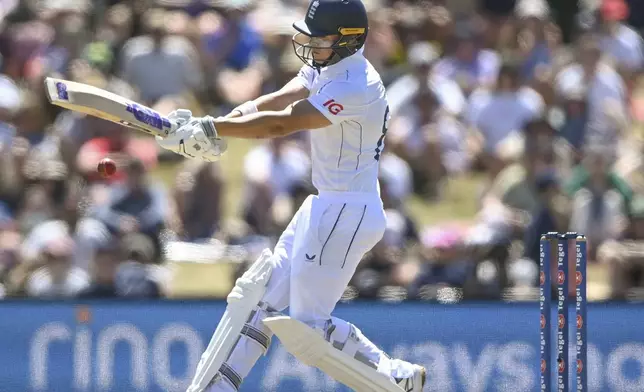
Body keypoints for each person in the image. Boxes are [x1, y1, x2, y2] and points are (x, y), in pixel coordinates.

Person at [155, 1, 426, 391]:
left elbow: (285, 122)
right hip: (325, 205)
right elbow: (278, 99)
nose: (313, 46)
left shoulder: (356, 84)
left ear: (350, 40)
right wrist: (211, 125)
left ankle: (395, 375)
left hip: (348, 210)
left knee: (306, 329)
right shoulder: (327, 64)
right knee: (257, 298)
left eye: (322, 40)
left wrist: (215, 130)